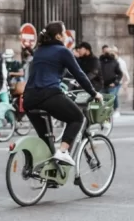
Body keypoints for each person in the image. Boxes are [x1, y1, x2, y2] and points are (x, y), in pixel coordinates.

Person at [24, 21, 102, 166]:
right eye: (65, 33)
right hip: (48, 95)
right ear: (59, 36)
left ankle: (49, 173)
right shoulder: (63, 51)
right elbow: (79, 74)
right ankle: (64, 151)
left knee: (46, 138)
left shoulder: (39, 51)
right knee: (77, 118)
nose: (66, 36)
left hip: (28, 99)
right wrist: (94, 93)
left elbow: (53, 71)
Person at [110, 46, 129, 117]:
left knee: (113, 95)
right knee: (111, 96)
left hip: (118, 81)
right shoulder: (110, 60)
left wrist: (126, 82)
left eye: (113, 52)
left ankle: (116, 109)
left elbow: (124, 72)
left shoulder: (121, 62)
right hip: (110, 81)